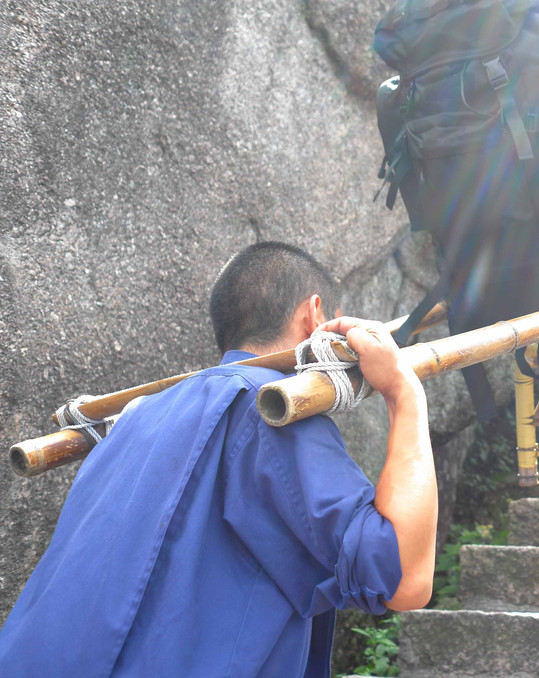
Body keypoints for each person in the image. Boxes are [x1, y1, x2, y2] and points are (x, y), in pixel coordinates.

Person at [0, 242, 438, 677]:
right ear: (315, 315)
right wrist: (402, 390)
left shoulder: (132, 420)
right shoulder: (268, 407)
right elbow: (402, 579)